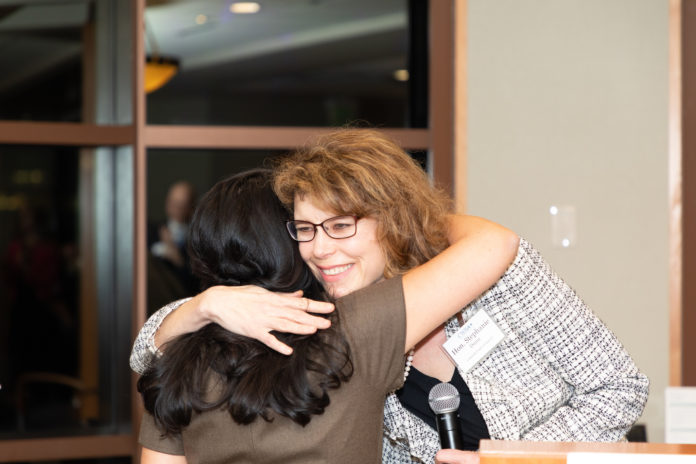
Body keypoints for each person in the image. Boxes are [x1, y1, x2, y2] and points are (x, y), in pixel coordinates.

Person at [131, 129, 649, 464]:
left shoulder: (501, 277)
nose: (320, 250)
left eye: (340, 226)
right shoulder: (333, 315)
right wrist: (207, 304)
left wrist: (505, 460)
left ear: (393, 219)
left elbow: (618, 387)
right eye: (304, 230)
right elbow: (146, 357)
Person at [137, 168, 518, 463]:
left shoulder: (176, 364)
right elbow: (494, 243)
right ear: (289, 244)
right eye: (305, 229)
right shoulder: (353, 328)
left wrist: (204, 305)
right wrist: (413, 216)